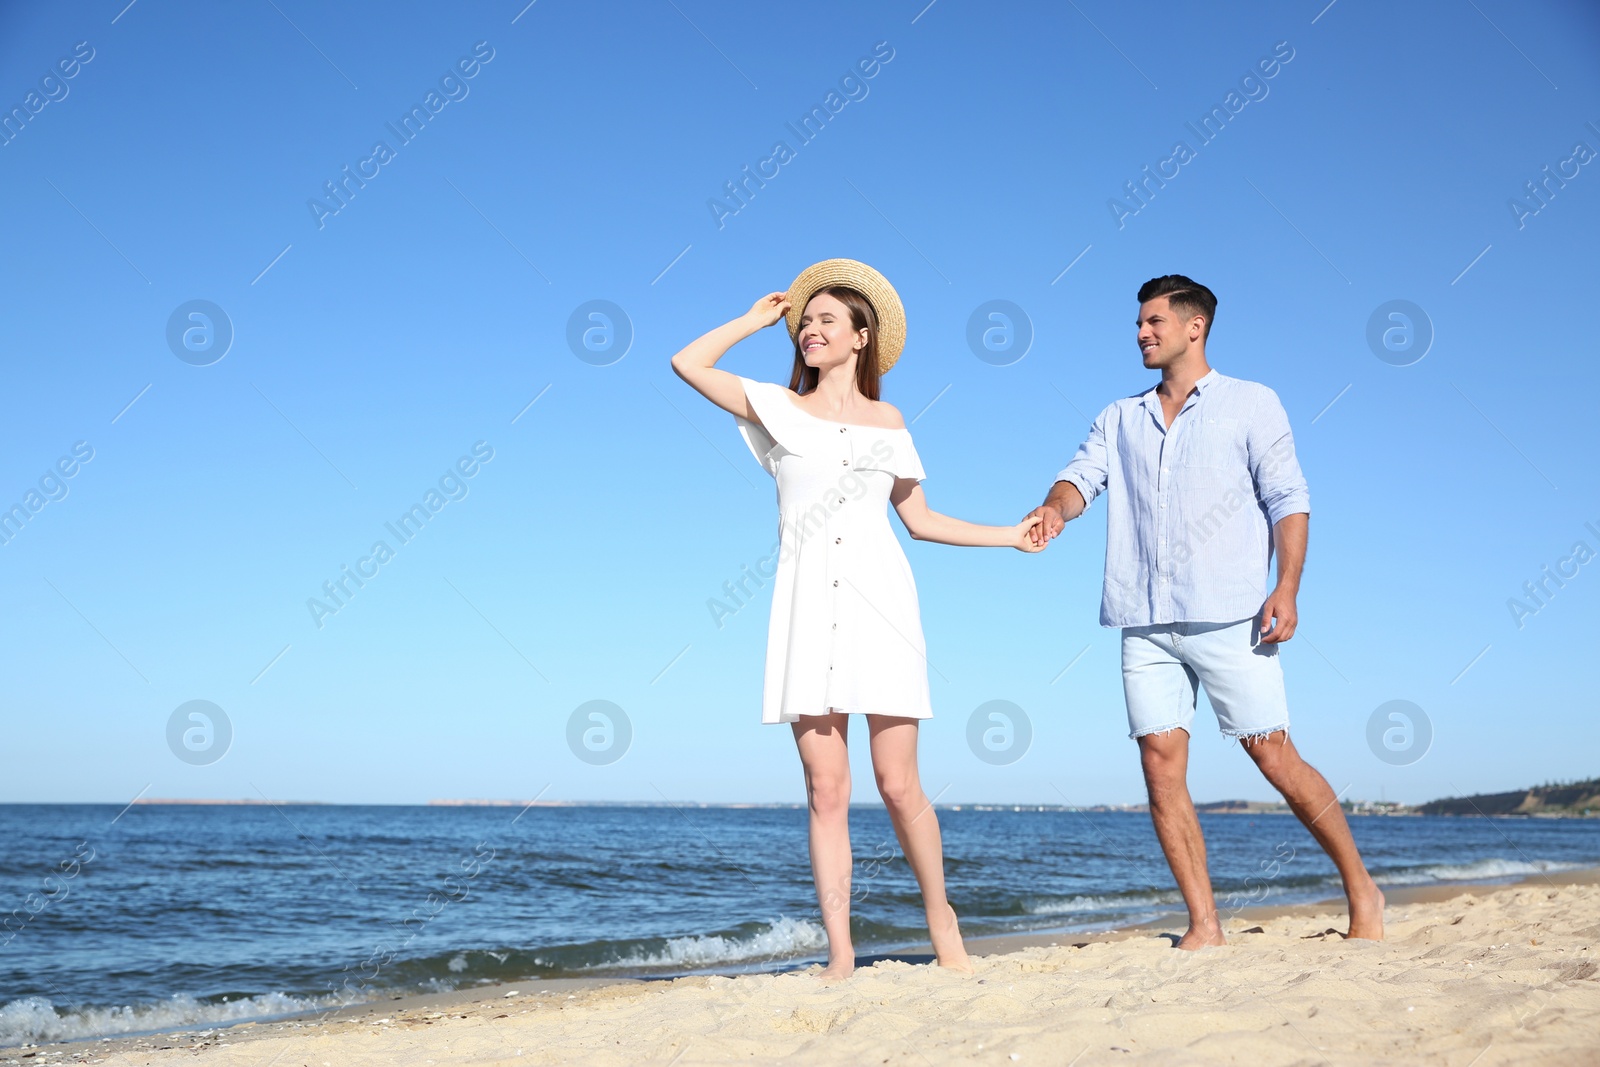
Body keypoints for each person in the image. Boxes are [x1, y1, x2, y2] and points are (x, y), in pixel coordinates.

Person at [671, 258, 1042, 979]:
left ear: (861, 337)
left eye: (825, 320)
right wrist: (754, 320)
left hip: (885, 605)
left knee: (900, 783)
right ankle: (840, 952)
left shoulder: (889, 421)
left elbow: (921, 520)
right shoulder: (776, 407)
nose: (810, 329)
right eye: (805, 321)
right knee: (827, 790)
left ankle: (945, 923)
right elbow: (687, 361)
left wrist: (1010, 534)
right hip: (807, 608)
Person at [1027, 274, 1385, 948]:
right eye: (1139, 323)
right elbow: (1079, 479)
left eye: (1155, 322)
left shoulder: (1252, 403)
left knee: (1274, 757)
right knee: (1161, 766)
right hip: (1142, 617)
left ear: (1196, 327)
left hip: (1232, 614)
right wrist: (1055, 507)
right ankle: (1205, 922)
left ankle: (1362, 887)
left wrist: (1288, 587)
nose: (1142, 332)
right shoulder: (1119, 416)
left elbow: (1289, 498)